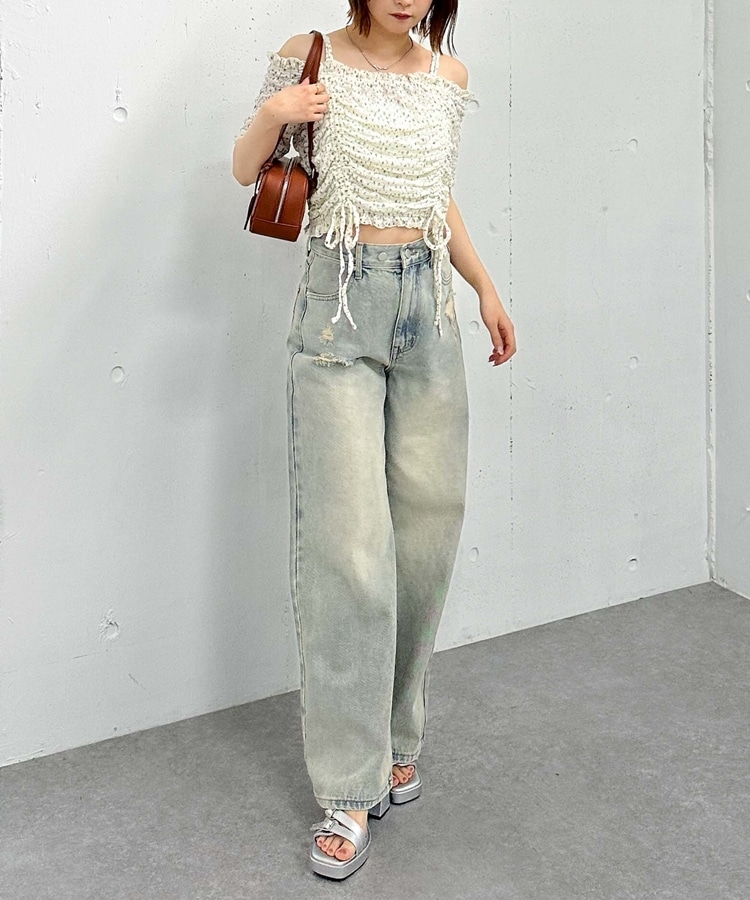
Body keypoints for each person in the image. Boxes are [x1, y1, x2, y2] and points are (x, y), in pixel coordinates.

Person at [232, 0, 516, 880]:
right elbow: (246, 170)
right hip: (339, 311)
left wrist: (485, 287)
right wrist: (275, 113)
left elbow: (437, 197)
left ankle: (396, 739)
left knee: (427, 535)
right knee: (350, 550)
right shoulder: (309, 54)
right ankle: (349, 787)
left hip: (429, 308)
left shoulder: (447, 76)